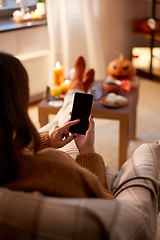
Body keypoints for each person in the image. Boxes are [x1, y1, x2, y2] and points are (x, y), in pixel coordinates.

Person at [0, 51, 113, 199]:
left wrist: (47, 140)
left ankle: (77, 85)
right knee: (69, 112)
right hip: (66, 160)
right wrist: (87, 152)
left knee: (61, 120)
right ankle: (77, 84)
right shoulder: (53, 168)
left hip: (29, 147)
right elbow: (103, 201)